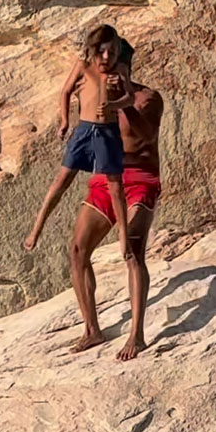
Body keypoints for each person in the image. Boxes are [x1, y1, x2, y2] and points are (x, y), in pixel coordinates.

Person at [69, 39, 163, 358]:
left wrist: (121, 102)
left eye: (115, 64)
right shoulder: (96, 95)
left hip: (140, 179)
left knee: (132, 250)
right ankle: (92, 330)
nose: (107, 69)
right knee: (78, 250)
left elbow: (145, 134)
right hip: (106, 179)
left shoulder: (148, 98)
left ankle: (136, 335)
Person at [24, 24, 135, 260]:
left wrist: (115, 103)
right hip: (85, 130)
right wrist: (65, 121)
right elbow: (65, 91)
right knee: (62, 179)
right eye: (102, 52)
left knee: (115, 186)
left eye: (112, 53)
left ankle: (123, 235)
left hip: (108, 132)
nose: (107, 58)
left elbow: (130, 97)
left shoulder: (120, 70)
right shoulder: (84, 67)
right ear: (93, 51)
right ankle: (37, 227)